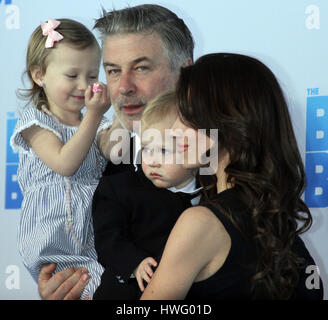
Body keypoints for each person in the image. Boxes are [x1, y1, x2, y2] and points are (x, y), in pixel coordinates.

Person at [37, 5, 194, 300]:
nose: (123, 87)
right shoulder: (99, 160)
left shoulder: (221, 161)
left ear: (184, 71)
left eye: (141, 67)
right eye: (112, 70)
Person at [140, 53, 324, 300]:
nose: (174, 130)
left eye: (186, 116)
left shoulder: (201, 223)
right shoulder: (276, 220)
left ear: (228, 121)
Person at [10, 18, 112, 299]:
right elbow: (65, 163)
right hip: (53, 246)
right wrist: (93, 116)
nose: (84, 85)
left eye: (92, 77)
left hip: (94, 240)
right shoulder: (35, 123)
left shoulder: (99, 126)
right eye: (72, 75)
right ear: (39, 74)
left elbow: (119, 151)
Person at [92, 91, 201, 300]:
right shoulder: (120, 189)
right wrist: (133, 262)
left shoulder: (210, 197)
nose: (152, 160)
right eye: (146, 149)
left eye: (164, 150)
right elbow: (108, 239)